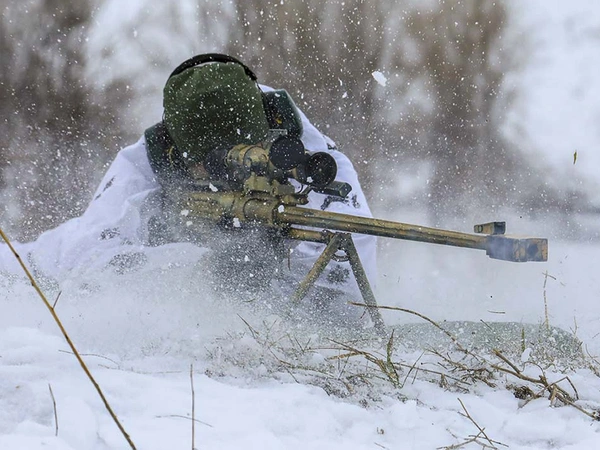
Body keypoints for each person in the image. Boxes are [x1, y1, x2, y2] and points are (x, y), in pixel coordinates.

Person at [0, 54, 376, 321]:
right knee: (26, 263)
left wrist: (267, 278)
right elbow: (85, 257)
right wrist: (192, 267)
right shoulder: (149, 159)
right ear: (179, 151)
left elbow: (347, 292)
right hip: (140, 258)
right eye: (211, 163)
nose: (231, 171)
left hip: (274, 298)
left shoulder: (315, 163)